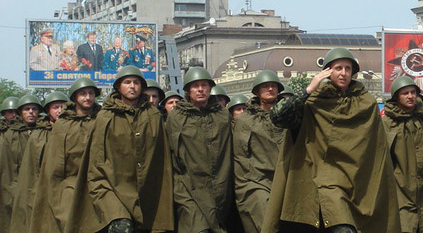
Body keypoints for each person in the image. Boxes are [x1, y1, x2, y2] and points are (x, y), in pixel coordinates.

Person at [266, 47, 399, 232]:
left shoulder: (366, 103)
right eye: (338, 68)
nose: (343, 73)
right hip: (319, 181)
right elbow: (277, 116)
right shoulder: (313, 102)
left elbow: (375, 149)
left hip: (355, 183)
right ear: (327, 71)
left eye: (348, 69)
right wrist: (309, 89)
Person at [65, 65, 174, 233]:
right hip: (112, 188)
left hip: (146, 189)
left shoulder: (152, 115)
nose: (132, 86)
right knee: (122, 227)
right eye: (127, 82)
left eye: (136, 82)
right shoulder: (106, 116)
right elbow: (96, 160)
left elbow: (162, 157)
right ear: (118, 87)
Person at [28, 77, 102, 233]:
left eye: (91, 93)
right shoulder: (63, 124)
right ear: (75, 97)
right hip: (68, 185)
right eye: (83, 94)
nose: (88, 97)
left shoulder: (102, 120)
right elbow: (55, 164)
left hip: (97, 184)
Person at [166, 66, 234, 233]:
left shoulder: (222, 115)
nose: (201, 90)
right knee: (198, 228)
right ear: (188, 90)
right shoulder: (177, 117)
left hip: (219, 187)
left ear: (210, 88)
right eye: (195, 86)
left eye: (204, 85)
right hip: (188, 187)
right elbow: (170, 153)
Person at [382, 76, 423, 233]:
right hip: (400, 191)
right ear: (396, 97)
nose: (410, 96)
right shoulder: (387, 124)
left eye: (413, 92)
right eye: (405, 93)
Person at [233, 70, 286, 233]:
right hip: (257, 181)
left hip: (285, 178)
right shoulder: (245, 120)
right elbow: (240, 156)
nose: (270, 89)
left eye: (273, 86)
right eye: (265, 86)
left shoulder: (288, 115)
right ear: (257, 91)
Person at [10, 91, 66, 231]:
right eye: (55, 107)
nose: (59, 111)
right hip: (41, 187)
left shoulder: (72, 131)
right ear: (48, 111)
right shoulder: (38, 135)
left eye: (62, 107)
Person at [0, 94, 44, 230]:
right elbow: (7, 168)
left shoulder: (45, 132)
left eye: (34, 109)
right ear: (21, 112)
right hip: (16, 186)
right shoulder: (11, 135)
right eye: (27, 109)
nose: (31, 112)